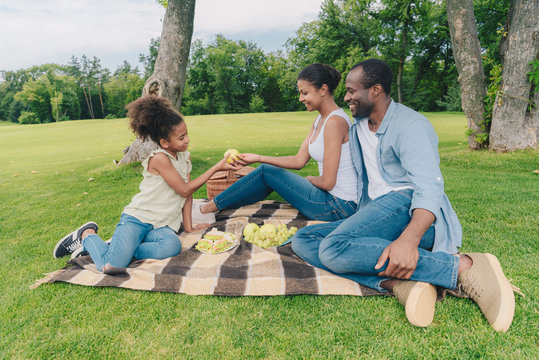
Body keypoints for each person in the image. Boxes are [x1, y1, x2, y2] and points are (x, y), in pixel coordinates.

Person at [291, 59, 515, 331]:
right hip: (378, 214)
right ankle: (398, 283)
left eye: (352, 91)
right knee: (304, 238)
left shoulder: (411, 126)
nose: (346, 96)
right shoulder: (359, 126)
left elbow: (429, 188)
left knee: (332, 248)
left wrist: (409, 240)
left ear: (375, 90)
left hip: (410, 211)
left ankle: (460, 268)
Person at [53, 96, 240, 272]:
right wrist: (217, 167)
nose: (187, 140)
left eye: (187, 134)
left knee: (172, 247)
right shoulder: (159, 159)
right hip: (138, 219)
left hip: (162, 226)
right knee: (110, 266)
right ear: (164, 143)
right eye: (181, 138)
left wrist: (189, 228)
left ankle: (122, 247)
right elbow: (184, 190)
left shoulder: (185, 157)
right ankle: (87, 235)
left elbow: (188, 196)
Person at [200, 63, 358, 222]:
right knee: (266, 172)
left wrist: (308, 180)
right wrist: (258, 157)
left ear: (323, 90)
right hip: (330, 200)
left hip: (338, 207)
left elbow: (327, 182)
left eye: (305, 93)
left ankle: (207, 209)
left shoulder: (335, 123)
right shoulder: (320, 120)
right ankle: (218, 206)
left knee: (266, 172)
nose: (301, 98)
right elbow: (298, 160)